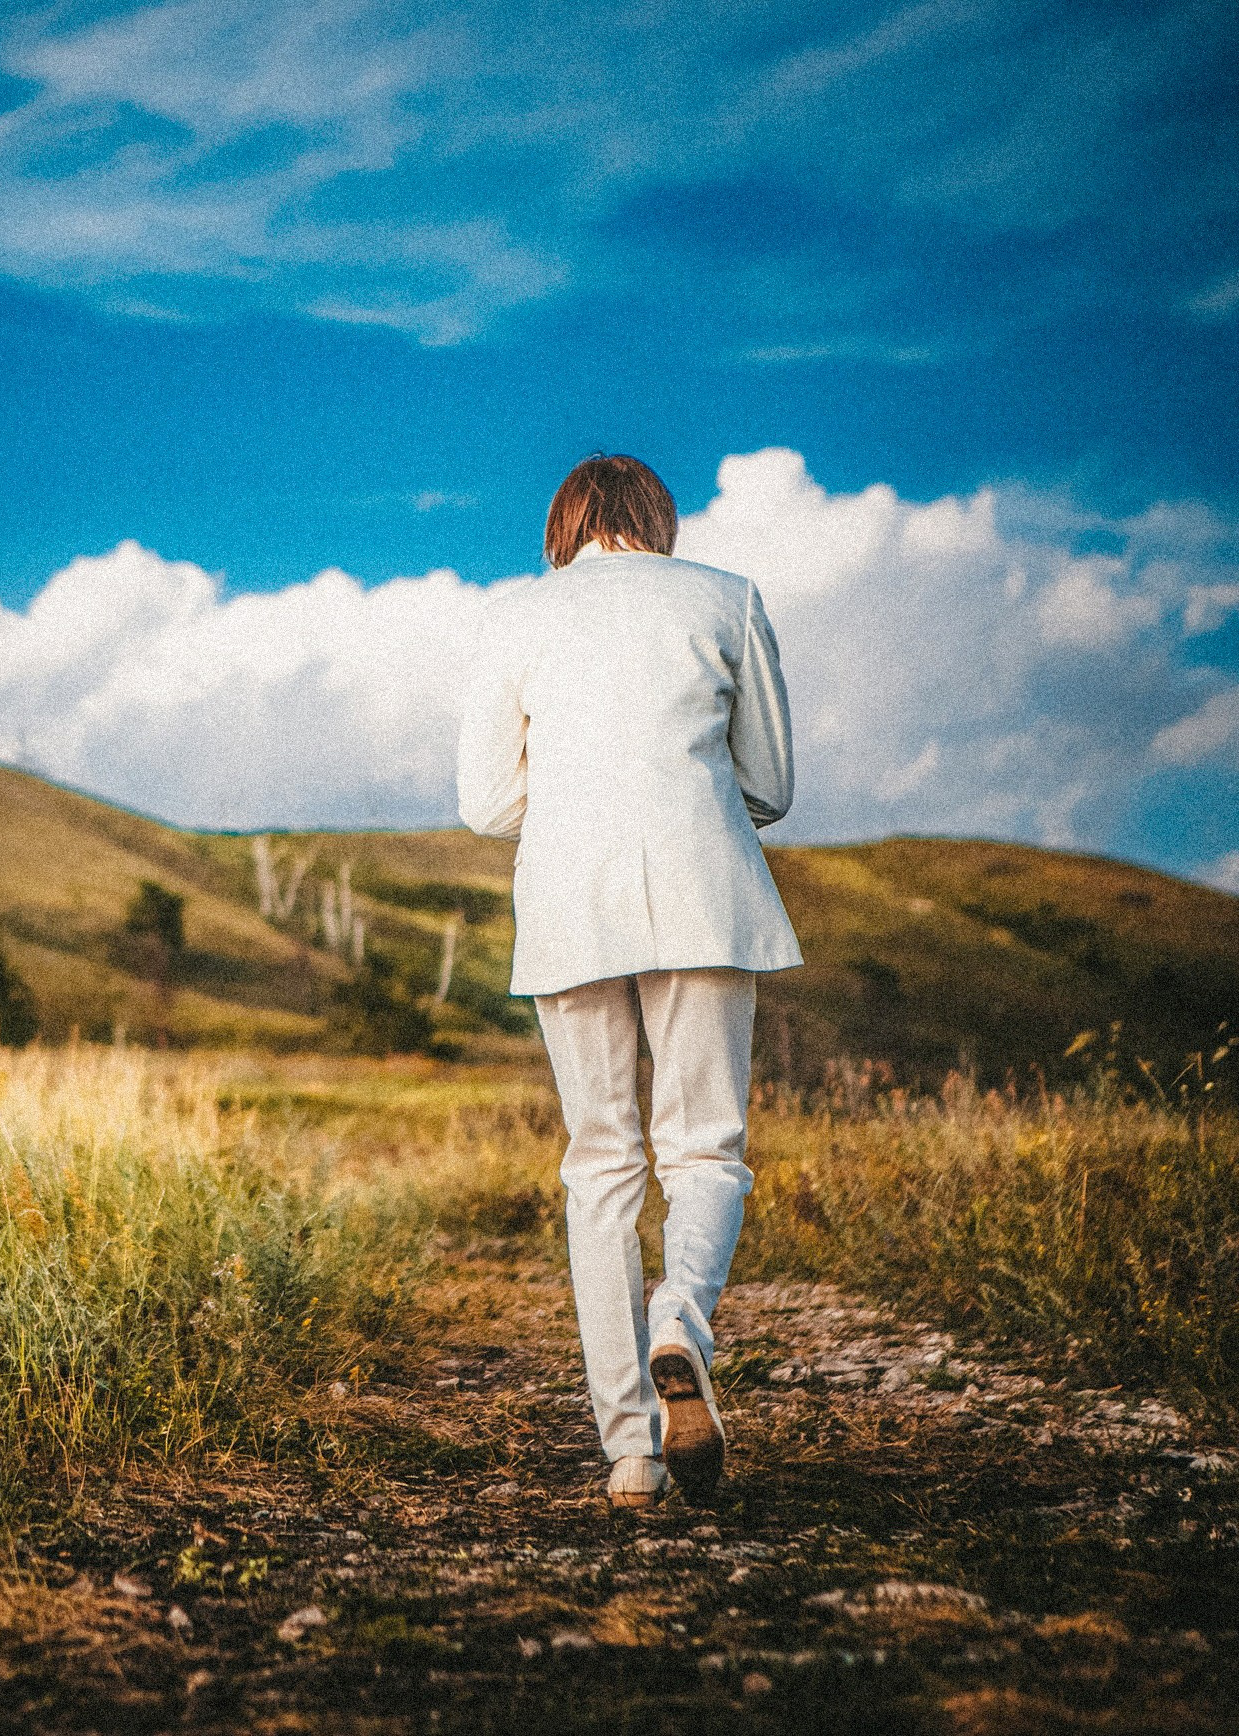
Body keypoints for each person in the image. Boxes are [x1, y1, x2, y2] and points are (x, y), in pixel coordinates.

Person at [456, 453, 800, 1511]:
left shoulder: (517, 615)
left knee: (598, 1161)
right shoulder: (727, 598)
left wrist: (570, 806)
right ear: (658, 519)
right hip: (705, 885)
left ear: (566, 525)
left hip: (568, 897)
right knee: (704, 1144)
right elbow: (772, 784)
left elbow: (481, 803)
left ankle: (630, 1454)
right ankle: (679, 1324)